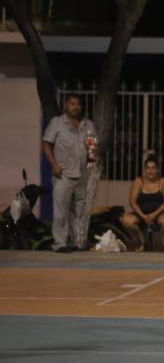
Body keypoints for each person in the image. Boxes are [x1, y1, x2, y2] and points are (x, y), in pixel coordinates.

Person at [42, 94, 97, 252]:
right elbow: (46, 144)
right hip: (63, 174)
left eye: (78, 104)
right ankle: (60, 243)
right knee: (61, 212)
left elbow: (92, 149)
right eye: (72, 104)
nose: (75, 107)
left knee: (79, 212)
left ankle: (77, 243)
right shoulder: (57, 123)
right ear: (66, 106)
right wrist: (54, 165)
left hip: (83, 175)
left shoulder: (88, 125)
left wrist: (90, 168)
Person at [121, 156, 164, 252]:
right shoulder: (138, 181)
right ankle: (143, 242)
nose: (150, 171)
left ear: (157, 169)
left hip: (158, 214)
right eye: (148, 168)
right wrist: (143, 216)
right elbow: (132, 202)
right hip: (141, 214)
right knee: (126, 219)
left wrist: (153, 215)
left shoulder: (163, 181)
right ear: (144, 169)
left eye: (153, 168)